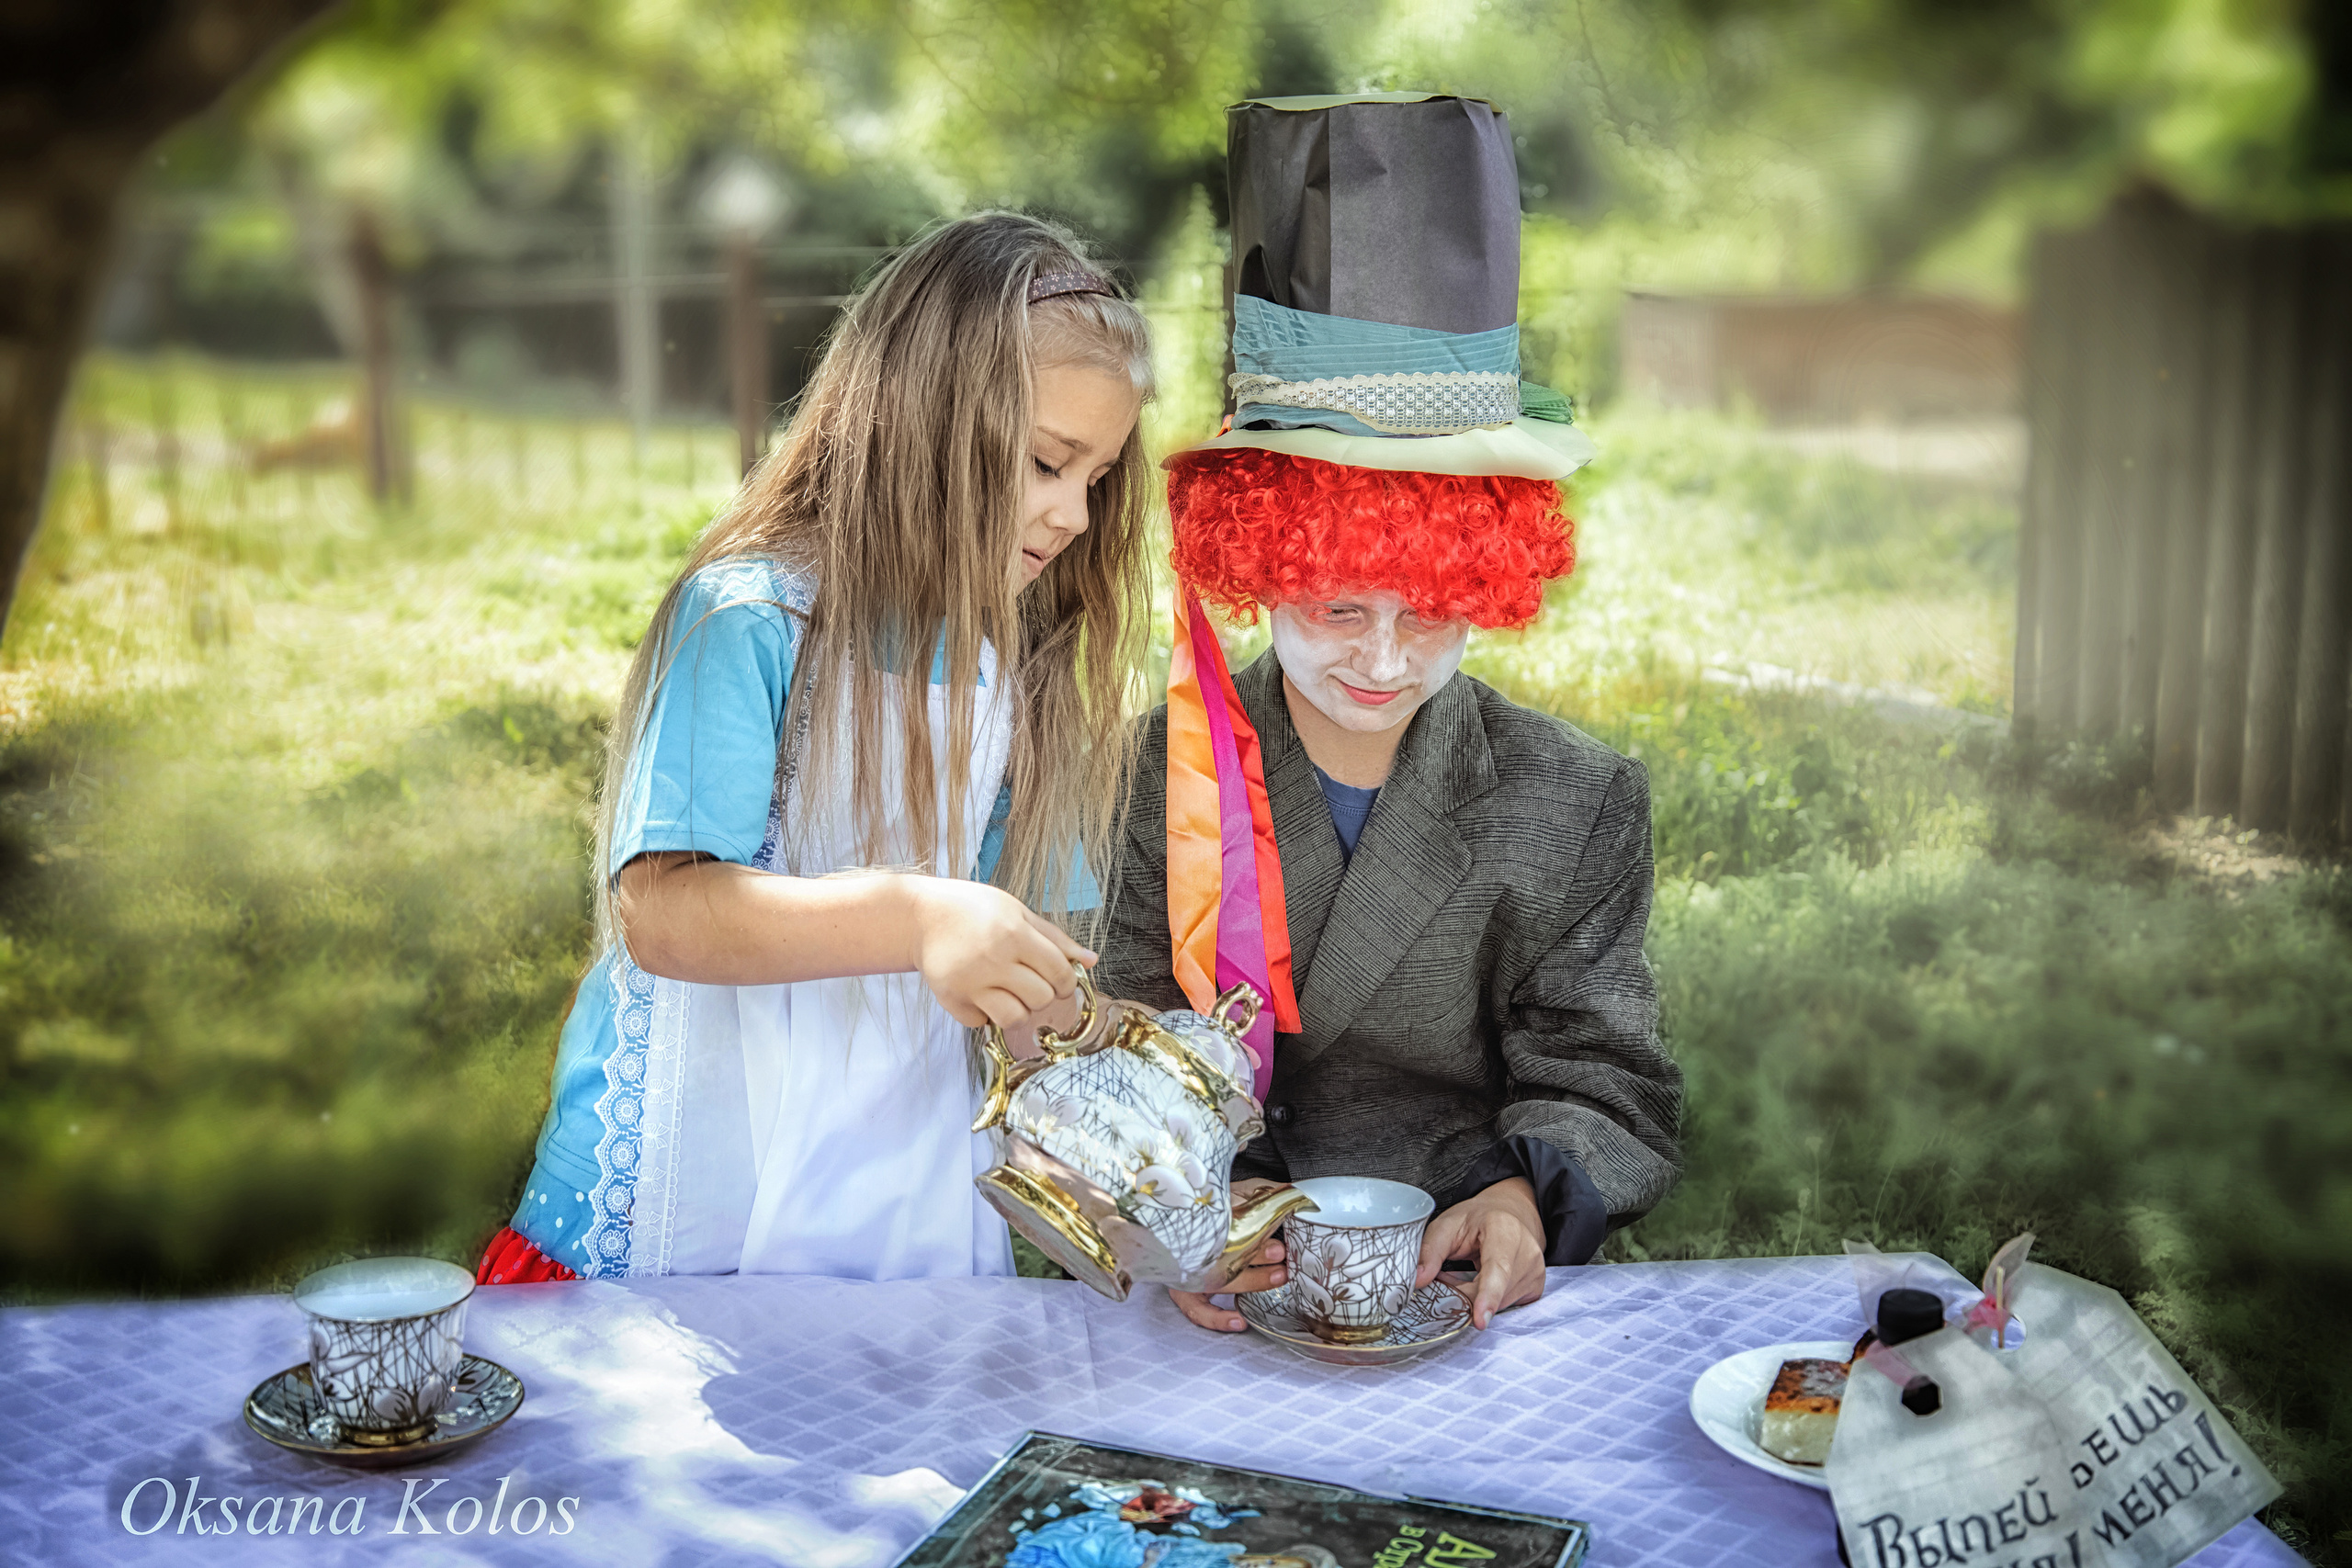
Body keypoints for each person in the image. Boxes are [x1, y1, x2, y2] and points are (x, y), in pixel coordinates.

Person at [1091, 94, 1683, 1334]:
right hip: (1227, 1269)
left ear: (1490, 584)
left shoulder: (1574, 797)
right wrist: (1193, 1204)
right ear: (1260, 563)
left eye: (1430, 612)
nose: (1383, 656)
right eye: (1338, 607)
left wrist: (1526, 1198)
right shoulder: (1154, 770)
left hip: (1456, 1271)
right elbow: (1126, 1039)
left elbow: (1602, 1072)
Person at [477, 212, 1154, 1285]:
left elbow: (1033, 998)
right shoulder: (752, 616)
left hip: (892, 1206)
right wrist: (917, 915)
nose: (1073, 513)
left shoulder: (1026, 674)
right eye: (1043, 463)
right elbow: (665, 912)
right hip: (692, 1198)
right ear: (922, 420)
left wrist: (1154, 1188)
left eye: (1096, 479)